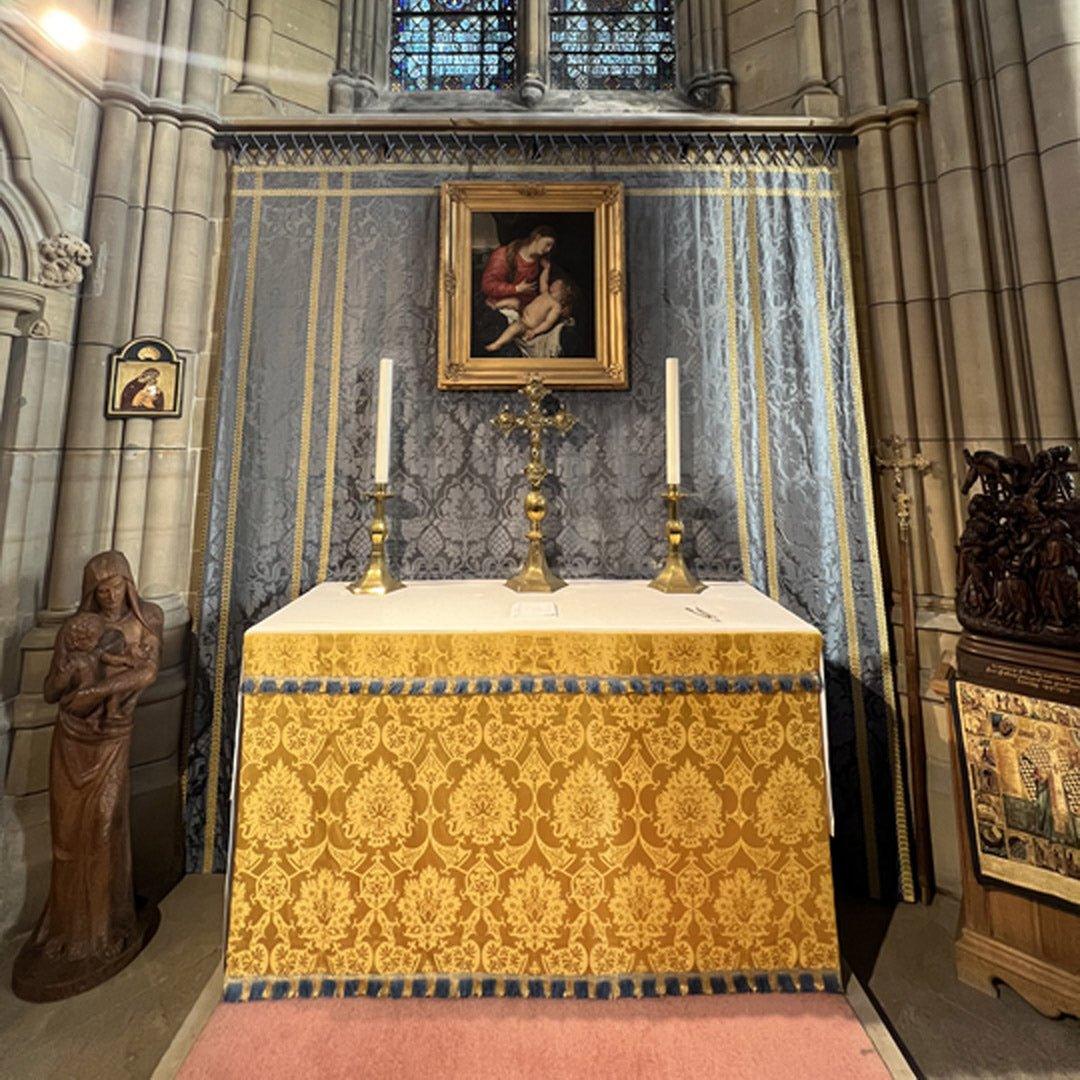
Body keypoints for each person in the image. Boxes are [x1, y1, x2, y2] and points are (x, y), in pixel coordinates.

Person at [21, 552, 162, 976]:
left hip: (110, 743)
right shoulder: (74, 632)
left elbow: (147, 673)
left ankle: (103, 927)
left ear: (129, 587)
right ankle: (69, 930)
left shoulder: (145, 622)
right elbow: (50, 692)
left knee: (102, 829)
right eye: (100, 589)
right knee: (68, 836)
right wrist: (70, 672)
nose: (109, 595)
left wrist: (99, 691)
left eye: (116, 586)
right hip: (72, 741)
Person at [484, 270, 576, 354]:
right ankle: (495, 306)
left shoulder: (556, 307)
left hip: (526, 325)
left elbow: (548, 323)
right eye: (555, 283)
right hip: (522, 312)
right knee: (515, 302)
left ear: (562, 293)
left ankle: (497, 343)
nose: (553, 284)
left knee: (515, 327)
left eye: (557, 285)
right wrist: (546, 269)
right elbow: (543, 281)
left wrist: (534, 332)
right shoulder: (546, 293)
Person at [479, 225, 556, 315]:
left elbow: (533, 293)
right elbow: (487, 285)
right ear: (537, 237)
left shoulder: (539, 263)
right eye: (547, 244)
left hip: (522, 307)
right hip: (499, 305)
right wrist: (515, 289)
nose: (549, 249)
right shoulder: (503, 254)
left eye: (551, 247)